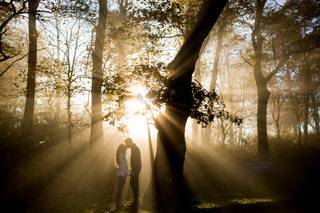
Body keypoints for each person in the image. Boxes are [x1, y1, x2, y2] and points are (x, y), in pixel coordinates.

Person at [125, 138, 141, 208]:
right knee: (133, 183)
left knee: (134, 183)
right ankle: (135, 201)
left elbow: (137, 160)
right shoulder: (133, 148)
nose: (126, 145)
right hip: (135, 168)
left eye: (127, 143)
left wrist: (134, 170)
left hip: (136, 168)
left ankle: (135, 202)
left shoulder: (135, 149)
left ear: (130, 142)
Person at [115, 144, 128, 210]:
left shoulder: (122, 155)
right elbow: (123, 166)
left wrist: (127, 172)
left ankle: (119, 202)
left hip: (122, 174)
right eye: (125, 148)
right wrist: (128, 173)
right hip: (122, 174)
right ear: (122, 149)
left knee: (120, 189)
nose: (126, 149)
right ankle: (118, 204)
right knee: (119, 190)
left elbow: (124, 165)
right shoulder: (121, 155)